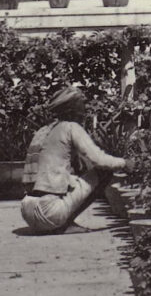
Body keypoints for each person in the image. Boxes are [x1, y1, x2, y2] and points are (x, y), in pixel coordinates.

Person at [17, 83, 129, 235]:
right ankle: (66, 224)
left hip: (27, 211)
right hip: (50, 214)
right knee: (104, 173)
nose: (85, 109)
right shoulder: (71, 127)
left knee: (77, 171)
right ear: (71, 109)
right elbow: (98, 160)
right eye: (81, 104)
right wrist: (125, 163)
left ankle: (61, 220)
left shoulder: (43, 130)